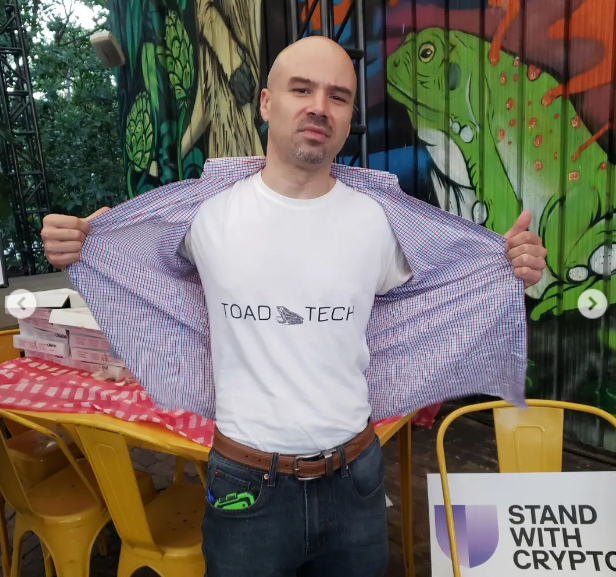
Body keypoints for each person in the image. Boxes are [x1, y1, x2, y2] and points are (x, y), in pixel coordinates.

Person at [41, 37, 546, 577]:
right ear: (266, 102)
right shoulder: (203, 214)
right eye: (301, 89)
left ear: (349, 116)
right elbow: (132, 255)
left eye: (338, 96)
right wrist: (81, 241)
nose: (319, 107)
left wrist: (510, 264)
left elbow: (453, 280)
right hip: (245, 488)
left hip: (355, 483)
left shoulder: (382, 222)